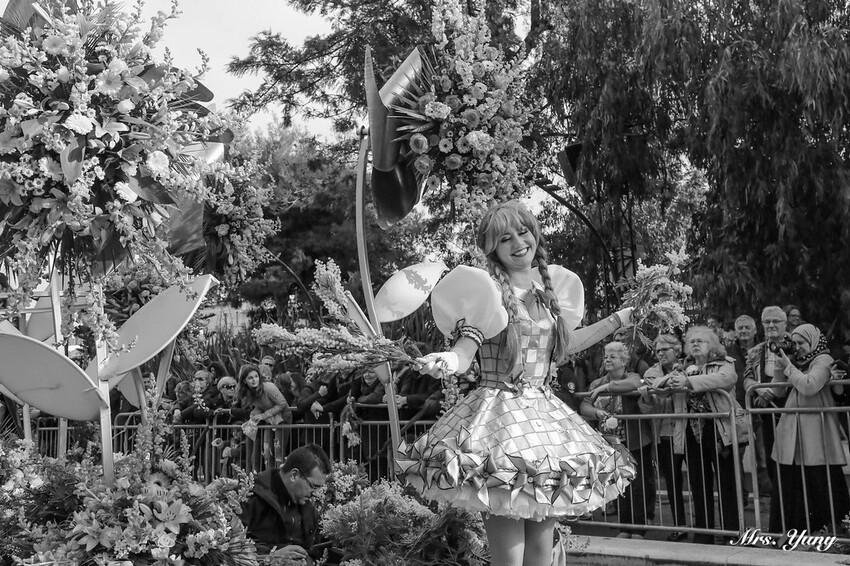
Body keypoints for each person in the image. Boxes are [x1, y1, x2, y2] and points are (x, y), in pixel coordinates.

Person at [395, 201, 635, 566]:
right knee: (510, 556)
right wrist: (448, 360)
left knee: (540, 549)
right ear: (493, 248)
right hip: (499, 421)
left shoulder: (551, 292)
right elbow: (465, 349)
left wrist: (619, 319)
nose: (519, 243)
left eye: (523, 232)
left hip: (544, 422)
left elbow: (567, 344)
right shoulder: (487, 291)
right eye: (505, 238)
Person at [661, 326, 747, 544]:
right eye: (692, 341)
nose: (696, 344)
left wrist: (688, 382)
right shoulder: (682, 367)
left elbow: (725, 379)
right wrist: (668, 382)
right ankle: (703, 533)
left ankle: (732, 533)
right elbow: (658, 385)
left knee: (727, 483)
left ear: (712, 345)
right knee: (698, 483)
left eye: (701, 341)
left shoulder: (724, 363)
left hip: (719, 430)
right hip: (691, 431)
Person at [768, 324, 850, 533]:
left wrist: (789, 366)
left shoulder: (824, 359)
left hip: (817, 435)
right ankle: (789, 533)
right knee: (791, 483)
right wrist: (779, 365)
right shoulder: (795, 362)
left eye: (801, 342)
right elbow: (778, 392)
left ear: (813, 341)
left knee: (819, 482)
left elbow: (809, 385)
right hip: (791, 434)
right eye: (794, 343)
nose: (797, 347)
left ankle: (825, 534)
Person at [581, 341, 656, 539]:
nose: (607, 359)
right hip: (611, 443)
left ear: (624, 361)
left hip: (636, 441)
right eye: (606, 356)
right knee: (617, 484)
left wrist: (607, 387)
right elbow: (585, 405)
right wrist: (597, 412)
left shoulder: (632, 376)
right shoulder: (596, 383)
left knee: (637, 485)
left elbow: (634, 385)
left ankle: (638, 528)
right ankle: (624, 526)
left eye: (612, 356)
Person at [240, 443, 331, 565]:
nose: (316, 494)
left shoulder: (308, 509)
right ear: (294, 475)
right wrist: (270, 556)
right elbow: (229, 547)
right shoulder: (250, 496)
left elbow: (315, 551)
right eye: (313, 486)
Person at [643, 333, 689, 541]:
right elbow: (659, 390)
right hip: (665, 433)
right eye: (658, 350)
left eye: (665, 349)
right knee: (672, 482)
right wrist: (672, 379)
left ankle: (704, 525)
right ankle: (680, 525)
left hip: (689, 430)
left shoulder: (689, 366)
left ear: (677, 350)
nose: (660, 353)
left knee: (698, 480)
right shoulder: (651, 372)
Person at [743, 306, 791, 494]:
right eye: (767, 321)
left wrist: (771, 391)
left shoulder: (796, 344)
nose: (771, 325)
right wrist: (758, 389)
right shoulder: (756, 351)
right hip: (765, 412)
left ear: (785, 323)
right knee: (771, 459)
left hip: (790, 408)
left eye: (775, 321)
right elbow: (747, 378)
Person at [234, 364, 293, 470]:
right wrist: (255, 413)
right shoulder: (248, 392)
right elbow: (261, 405)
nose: (254, 380)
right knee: (267, 451)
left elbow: (282, 404)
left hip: (282, 420)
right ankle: (269, 475)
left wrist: (263, 415)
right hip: (269, 421)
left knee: (278, 452)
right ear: (244, 381)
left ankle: (278, 476)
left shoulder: (268, 387)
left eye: (256, 376)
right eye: (250, 378)